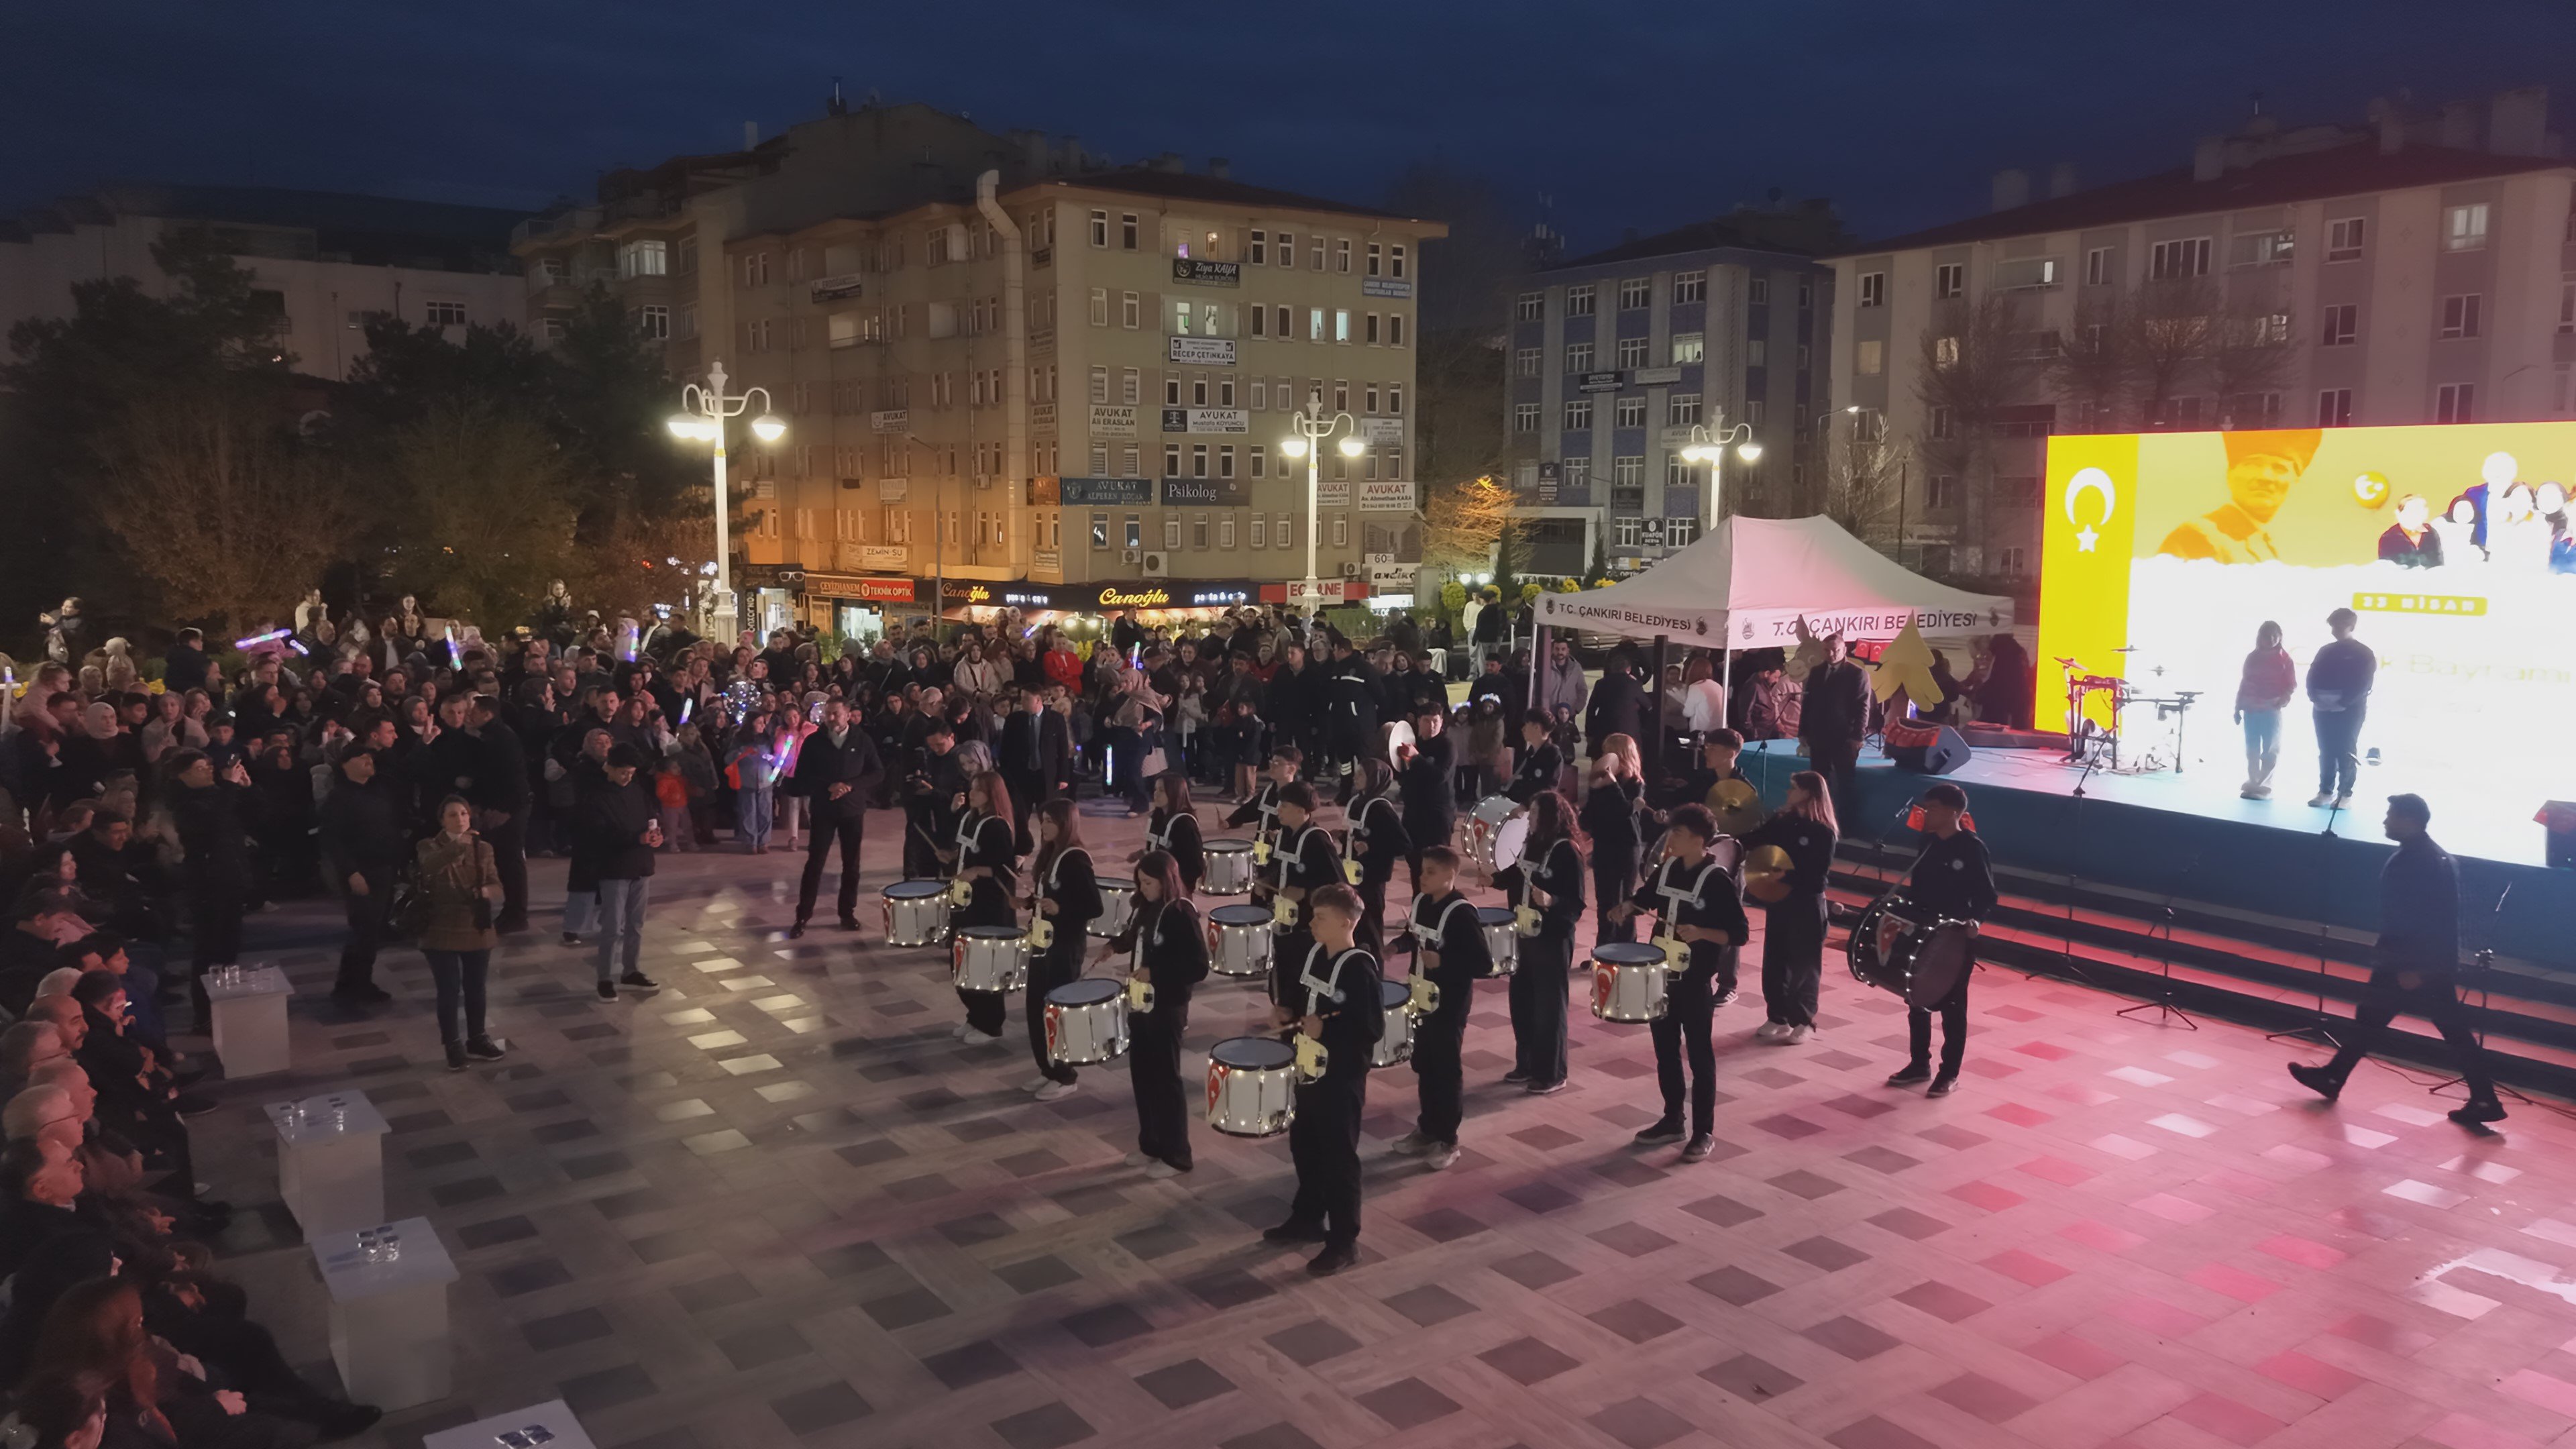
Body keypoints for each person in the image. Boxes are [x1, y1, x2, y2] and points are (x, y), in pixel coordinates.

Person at [2284, 795, 2501, 1123]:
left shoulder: (2420, 861)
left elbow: (2428, 920)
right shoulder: (2429, 856)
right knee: (2375, 1020)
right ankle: (2333, 1076)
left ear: (2409, 819)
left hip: (2409, 965)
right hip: (2412, 962)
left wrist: (2419, 969)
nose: (2385, 821)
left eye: (2391, 815)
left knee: (2442, 1030)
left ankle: (2485, 1099)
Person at [1608, 804, 1747, 1161]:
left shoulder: (1716, 880)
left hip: (1695, 981)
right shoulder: (1668, 869)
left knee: (1700, 1056)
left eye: (1679, 834)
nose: (1671, 839)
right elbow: (1646, 899)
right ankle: (1673, 1119)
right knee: (1665, 1052)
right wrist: (1627, 907)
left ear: (1700, 841)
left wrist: (1702, 932)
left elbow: (1739, 933)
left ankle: (1703, 1132)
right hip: (1661, 976)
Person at [1260, 882, 1383, 1277]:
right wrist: (1286, 1012)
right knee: (1305, 1145)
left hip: (1340, 1079)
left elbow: (1371, 1029)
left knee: (1339, 1157)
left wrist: (1327, 1030)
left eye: (1320, 918)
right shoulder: (1314, 953)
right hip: (1307, 1070)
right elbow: (1303, 1001)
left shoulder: (1360, 968)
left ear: (1346, 923)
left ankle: (1345, 1241)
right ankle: (1308, 1217)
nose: (1311, 923)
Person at [1884, 783, 1996, 1096]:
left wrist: (1975, 921)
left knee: (1953, 1006)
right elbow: (1917, 888)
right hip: (1923, 931)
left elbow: (1987, 895)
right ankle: (1919, 1064)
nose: (1926, 814)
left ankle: (1949, 1073)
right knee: (1916, 999)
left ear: (1953, 812)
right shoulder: (1928, 843)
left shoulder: (1972, 848)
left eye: (1932, 808)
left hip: (1955, 937)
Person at [1103, 850, 1205, 1177]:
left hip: (1168, 1006)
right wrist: (1115, 946)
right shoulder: (1146, 907)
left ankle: (1177, 1154)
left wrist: (1155, 973)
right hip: (1140, 1002)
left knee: (1166, 1079)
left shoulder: (1181, 913)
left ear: (1166, 881)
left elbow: (1198, 966)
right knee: (1143, 1075)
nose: (1143, 888)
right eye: (1141, 882)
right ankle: (1151, 1144)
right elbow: (1135, 936)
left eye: (1148, 883)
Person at [1387, 844, 1487, 1171]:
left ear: (1450, 875)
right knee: (1425, 1064)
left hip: (1449, 1004)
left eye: (1431, 872)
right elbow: (1413, 936)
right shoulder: (1421, 902)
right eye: (1422, 871)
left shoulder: (1461, 913)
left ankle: (1447, 1139)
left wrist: (1444, 961)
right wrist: (1396, 946)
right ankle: (1427, 1128)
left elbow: (1483, 963)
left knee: (1446, 1069)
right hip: (1420, 998)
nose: (1423, 877)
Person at [1494, 790, 1582, 1093]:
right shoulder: (1532, 843)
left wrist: (1551, 900)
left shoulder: (1567, 851)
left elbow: (1576, 903)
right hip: (1524, 932)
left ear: (1550, 817)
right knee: (1522, 1001)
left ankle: (1552, 1073)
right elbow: (1517, 872)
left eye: (1534, 814)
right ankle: (1527, 1063)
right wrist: (1494, 879)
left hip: (1552, 938)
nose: (1529, 818)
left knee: (1549, 1007)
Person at [164, 751, 259, 1026]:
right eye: (200, 768)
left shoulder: (219, 794)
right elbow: (214, 825)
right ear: (182, 776)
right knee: (209, 949)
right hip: (208, 883)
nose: (208, 771)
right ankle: (204, 1014)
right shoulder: (185, 805)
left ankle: (224, 1003)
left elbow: (256, 816)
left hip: (231, 877)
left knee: (230, 945)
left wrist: (248, 789)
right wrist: (229, 787)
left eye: (208, 766)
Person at [1741, 771, 1838, 1042]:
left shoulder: (1823, 831)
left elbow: (1817, 876)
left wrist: (1786, 876)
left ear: (1808, 793)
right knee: (1775, 959)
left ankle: (1804, 1020)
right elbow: (1756, 839)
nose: (1788, 791)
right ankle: (1777, 1015)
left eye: (1794, 787)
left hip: (1806, 904)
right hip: (1779, 900)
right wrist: (1729, 832)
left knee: (1803, 964)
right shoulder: (1783, 821)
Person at [415, 796, 504, 1071]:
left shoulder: (484, 848)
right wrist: (460, 844)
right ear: (442, 820)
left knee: (476, 987)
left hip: (475, 925)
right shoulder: (428, 845)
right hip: (439, 927)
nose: (461, 819)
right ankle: (453, 1044)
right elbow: (430, 866)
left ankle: (477, 1038)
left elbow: (497, 885)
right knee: (449, 988)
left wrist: (486, 892)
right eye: (453, 815)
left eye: (464, 813)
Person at [1020, 800, 1101, 1102]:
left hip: (1065, 946)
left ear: (1066, 824)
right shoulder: (1051, 854)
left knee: (1058, 1010)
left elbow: (1093, 906)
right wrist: (1030, 903)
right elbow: (1049, 895)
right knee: (1036, 1007)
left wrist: (1061, 908)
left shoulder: (1075, 859)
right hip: (1043, 943)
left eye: (1050, 821)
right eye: (1042, 820)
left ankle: (1066, 1075)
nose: (1044, 826)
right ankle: (1047, 1067)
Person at [785, 698, 883, 938]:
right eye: (827, 714)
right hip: (823, 810)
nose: (830, 719)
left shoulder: (862, 740)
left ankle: (847, 912)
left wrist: (850, 785)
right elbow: (802, 777)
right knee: (815, 863)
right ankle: (803, 915)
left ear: (848, 714)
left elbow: (877, 772)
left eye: (835, 714)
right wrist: (828, 786)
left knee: (852, 864)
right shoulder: (814, 741)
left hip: (852, 810)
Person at [315, 749, 403, 1007]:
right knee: (364, 927)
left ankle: (351, 982)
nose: (369, 762)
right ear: (345, 765)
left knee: (370, 929)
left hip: (382, 867)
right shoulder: (339, 798)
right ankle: (357, 984)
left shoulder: (378, 791)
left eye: (370, 758)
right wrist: (351, 872)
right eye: (361, 758)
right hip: (360, 871)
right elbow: (332, 840)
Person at [576, 745, 661, 1001]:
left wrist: (656, 835)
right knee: (612, 927)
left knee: (636, 924)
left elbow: (651, 816)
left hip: (641, 865)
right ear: (610, 769)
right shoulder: (596, 796)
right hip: (614, 868)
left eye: (632, 773)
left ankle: (631, 971)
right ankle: (604, 977)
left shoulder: (637, 790)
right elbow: (598, 835)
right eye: (623, 772)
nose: (628, 777)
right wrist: (637, 838)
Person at [2157, 427, 2320, 562]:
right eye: (2253, 464)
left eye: (2280, 468)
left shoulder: (2270, 545)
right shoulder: (2198, 536)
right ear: (2230, 474)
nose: (2265, 477)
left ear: (2295, 481)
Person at [944, 771, 1018, 1044]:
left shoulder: (997, 826)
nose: (971, 794)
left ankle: (991, 1024)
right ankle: (975, 1015)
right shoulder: (969, 818)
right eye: (972, 788)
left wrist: (976, 871)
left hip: (989, 906)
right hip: (965, 902)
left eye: (978, 790)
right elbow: (965, 851)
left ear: (992, 795)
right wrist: (951, 857)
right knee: (960, 962)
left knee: (985, 966)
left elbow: (1006, 868)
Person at [1258, 784, 1344, 1008]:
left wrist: (1306, 892)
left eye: (1285, 806)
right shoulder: (1284, 834)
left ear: (1301, 810)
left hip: (1307, 926)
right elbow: (1277, 868)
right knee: (1280, 977)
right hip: (1283, 921)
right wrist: (1267, 882)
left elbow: (1339, 886)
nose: (1279, 810)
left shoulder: (1318, 840)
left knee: (1299, 981)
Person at [1580, 736, 1646, 946]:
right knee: (1604, 902)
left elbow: (1625, 811)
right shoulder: (1601, 783)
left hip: (1625, 847)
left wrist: (1614, 785)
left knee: (1624, 901)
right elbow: (1587, 818)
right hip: (1604, 846)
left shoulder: (1635, 784)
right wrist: (1593, 793)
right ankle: (1604, 949)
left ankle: (1626, 947)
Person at [1798, 635, 1872, 824]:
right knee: (1818, 782)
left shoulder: (1857, 674)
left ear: (1844, 650)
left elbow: (1863, 707)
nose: (1831, 654)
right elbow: (1807, 703)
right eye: (1827, 650)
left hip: (1844, 738)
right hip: (1818, 735)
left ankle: (1846, 824)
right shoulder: (1816, 672)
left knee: (1845, 783)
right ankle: (1819, 820)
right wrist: (1803, 731)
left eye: (1835, 650)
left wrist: (1858, 736)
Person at [2307, 607, 2374, 810]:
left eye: (2340, 625)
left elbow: (2364, 683)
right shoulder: (2326, 650)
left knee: (2346, 750)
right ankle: (2325, 791)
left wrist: (2343, 702)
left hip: (2350, 710)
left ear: (2351, 626)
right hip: (2322, 708)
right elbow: (2312, 676)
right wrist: (2314, 698)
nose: (2336, 629)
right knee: (2326, 750)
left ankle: (2345, 794)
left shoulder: (2363, 653)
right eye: (2333, 625)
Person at [1344, 757, 1410, 959]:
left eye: (1361, 774)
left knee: (1370, 930)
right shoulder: (1357, 802)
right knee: (1354, 928)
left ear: (1375, 778)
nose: (1355, 777)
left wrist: (1371, 847)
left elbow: (1403, 844)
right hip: (1354, 875)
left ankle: (1374, 968)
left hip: (1372, 878)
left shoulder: (1381, 808)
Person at [998, 688, 1071, 853]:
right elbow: (1005, 750)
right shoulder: (1014, 720)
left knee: (1049, 818)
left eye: (1026, 699)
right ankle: (1019, 854)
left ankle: (1049, 854)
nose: (1021, 702)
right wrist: (1006, 776)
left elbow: (1063, 749)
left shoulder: (1056, 719)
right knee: (1019, 818)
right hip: (1021, 778)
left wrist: (1064, 776)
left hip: (1046, 777)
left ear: (1038, 700)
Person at [2234, 621, 2297, 801]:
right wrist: (2237, 707)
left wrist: (2283, 700)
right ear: (2260, 637)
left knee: (2270, 748)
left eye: (2275, 636)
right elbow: (2244, 682)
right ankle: (2253, 781)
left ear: (2280, 637)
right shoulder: (2252, 658)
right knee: (2252, 747)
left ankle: (2265, 785)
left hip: (2271, 708)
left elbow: (2291, 684)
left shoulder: (2285, 659)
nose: (2271, 639)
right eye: (2267, 636)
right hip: (2251, 708)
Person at [1396, 703, 1454, 875]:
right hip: (1414, 814)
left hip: (1437, 817)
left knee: (1436, 867)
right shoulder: (1413, 743)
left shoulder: (1447, 745)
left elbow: (1440, 776)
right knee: (1415, 865)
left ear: (1442, 722)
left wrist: (1416, 758)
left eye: (1436, 721)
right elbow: (1404, 776)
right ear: (1419, 721)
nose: (1432, 726)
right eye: (1427, 721)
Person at [1141, 772, 1204, 895]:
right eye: (1155, 789)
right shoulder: (1156, 818)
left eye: (1162, 790)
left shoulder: (1184, 824)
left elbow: (1195, 866)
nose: (1156, 794)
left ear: (1175, 793)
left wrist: (1172, 882)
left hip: (1177, 890)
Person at [2378, 494, 2444, 567]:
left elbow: (2439, 562)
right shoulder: (2388, 538)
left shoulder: (2431, 533)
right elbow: (2386, 568)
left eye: (2418, 512)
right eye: (2409, 512)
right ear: (2400, 514)